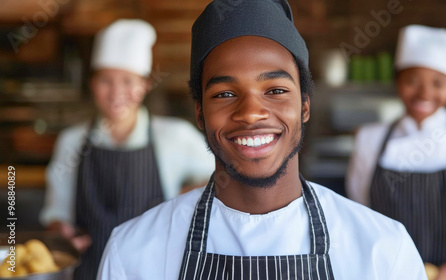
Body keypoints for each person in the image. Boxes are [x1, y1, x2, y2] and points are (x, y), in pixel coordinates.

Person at [97, 2, 427, 279]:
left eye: (276, 90)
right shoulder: (133, 254)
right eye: (225, 93)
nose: (251, 112)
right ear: (200, 114)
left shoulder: (383, 251)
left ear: (305, 106)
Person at [39, 19, 214, 280]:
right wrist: (61, 233)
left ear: (144, 85)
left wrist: (183, 196)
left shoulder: (174, 136)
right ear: (92, 83)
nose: (116, 92)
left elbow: (225, 174)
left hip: (154, 271)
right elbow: (57, 213)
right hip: (89, 270)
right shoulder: (72, 141)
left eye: (127, 81)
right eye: (106, 80)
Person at [346, 25, 446, 279]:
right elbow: (359, 222)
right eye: (412, 81)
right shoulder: (369, 140)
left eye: (438, 83)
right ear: (397, 81)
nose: (425, 93)